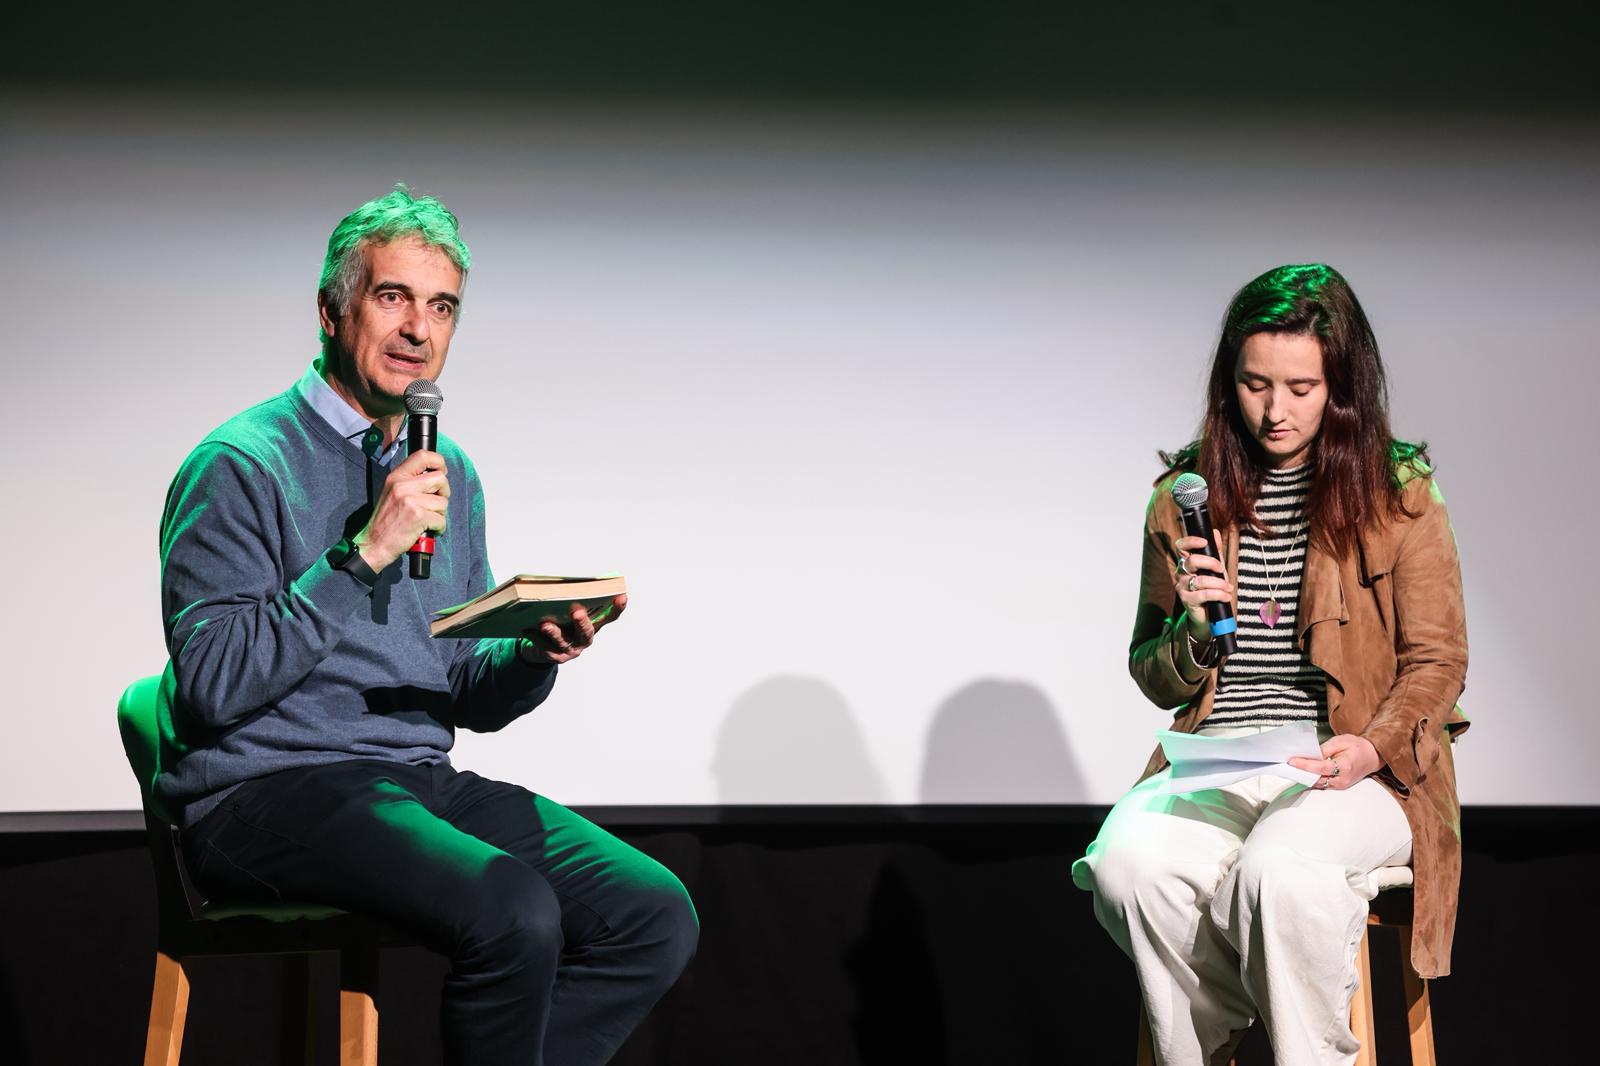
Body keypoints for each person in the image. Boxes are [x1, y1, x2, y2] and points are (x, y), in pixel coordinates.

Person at [154, 185, 698, 1065]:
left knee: (651, 913)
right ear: (332, 310)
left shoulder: (448, 471)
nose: (418, 328)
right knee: (511, 910)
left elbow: (464, 691)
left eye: (441, 307)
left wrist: (530, 652)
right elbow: (212, 684)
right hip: (267, 794)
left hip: (411, 780)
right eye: (392, 296)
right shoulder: (240, 464)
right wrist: (362, 554)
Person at [1071, 264, 1468, 1065]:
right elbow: (1152, 671)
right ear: (1231, 381)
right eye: (1255, 384)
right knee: (1124, 866)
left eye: (1300, 387)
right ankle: (1208, 1048)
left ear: (1341, 386)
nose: (1274, 410)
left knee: (1282, 872)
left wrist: (1372, 746)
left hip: (1353, 770)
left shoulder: (1400, 493)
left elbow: (1437, 660)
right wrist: (1188, 632)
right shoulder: (1182, 496)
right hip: (1217, 762)